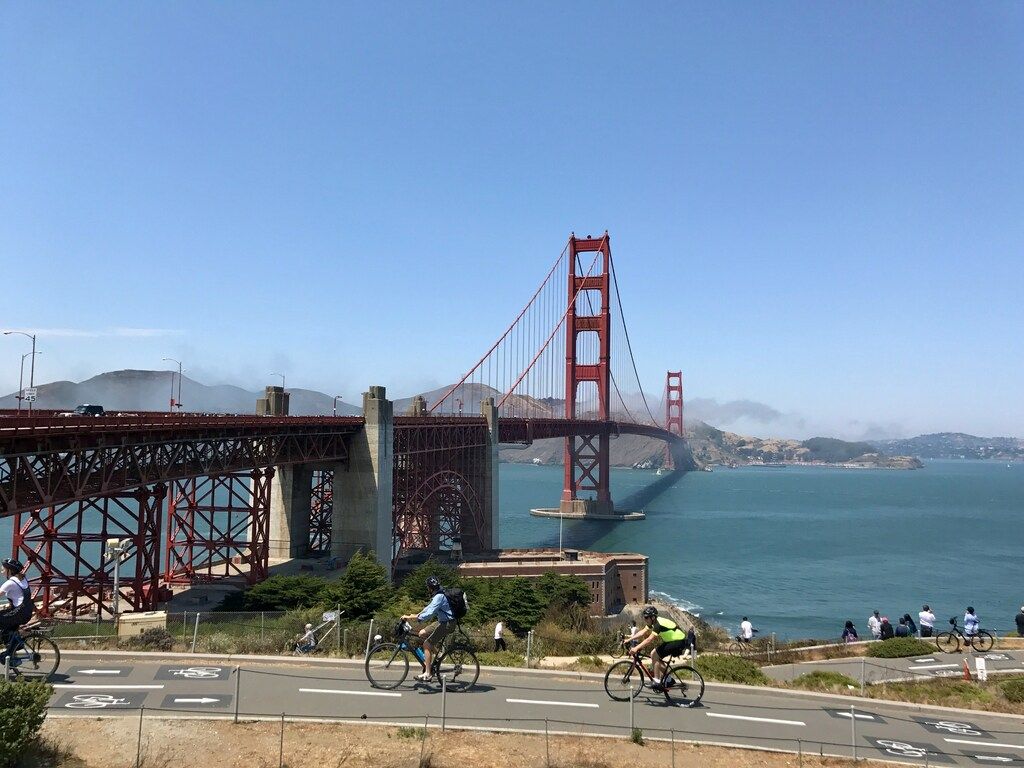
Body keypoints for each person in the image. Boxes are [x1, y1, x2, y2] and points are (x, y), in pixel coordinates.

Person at [624, 606, 691, 691]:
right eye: (644, 617)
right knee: (656, 657)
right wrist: (629, 640)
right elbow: (642, 632)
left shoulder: (658, 624)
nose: (645, 619)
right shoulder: (653, 622)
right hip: (671, 641)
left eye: (646, 617)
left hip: (678, 641)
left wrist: (636, 648)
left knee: (654, 654)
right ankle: (669, 680)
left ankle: (657, 681)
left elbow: (649, 639)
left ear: (652, 617)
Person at [402, 576, 456, 682]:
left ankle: (428, 673)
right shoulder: (438, 594)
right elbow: (428, 608)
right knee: (422, 633)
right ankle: (438, 654)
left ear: (430, 588)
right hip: (442, 621)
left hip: (448, 624)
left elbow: (430, 613)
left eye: (428, 587)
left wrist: (413, 617)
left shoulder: (439, 596)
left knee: (426, 644)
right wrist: (415, 614)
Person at [0, 558, 34, 640]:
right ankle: (11, 647)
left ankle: (12, 645)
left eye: (3, 568)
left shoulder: (10, 583)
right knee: (8, 626)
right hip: (26, 612)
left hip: (19, 614)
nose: (1, 569)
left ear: (10, 570)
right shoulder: (23, 579)